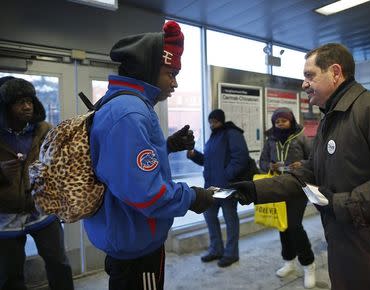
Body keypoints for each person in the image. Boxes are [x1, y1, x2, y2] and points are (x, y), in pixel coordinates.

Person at [231, 43, 370, 290]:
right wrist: (255, 190)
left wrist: (343, 204)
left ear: (335, 72)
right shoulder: (330, 121)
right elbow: (309, 173)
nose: (304, 84)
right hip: (350, 255)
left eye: (309, 76)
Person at [83, 21, 214, 290]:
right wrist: (192, 196)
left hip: (126, 236)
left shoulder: (119, 104)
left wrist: (165, 147)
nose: (175, 83)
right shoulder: (131, 112)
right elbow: (146, 192)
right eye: (171, 73)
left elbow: (121, 166)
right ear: (150, 68)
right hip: (137, 248)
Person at [0, 77, 74, 290]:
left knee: (59, 264)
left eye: (30, 100)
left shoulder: (43, 129)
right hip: (5, 216)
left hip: (41, 208)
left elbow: (62, 163)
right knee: (9, 275)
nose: (27, 106)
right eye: (19, 102)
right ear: (5, 106)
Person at [259, 107, 315, 288]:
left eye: (284, 120)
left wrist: (303, 163)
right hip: (278, 187)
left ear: (291, 121)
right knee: (282, 225)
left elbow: (315, 159)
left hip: (298, 187)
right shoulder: (271, 140)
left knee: (293, 225)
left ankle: (308, 265)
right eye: (277, 121)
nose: (280, 124)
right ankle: (289, 261)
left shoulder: (301, 137)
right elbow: (262, 162)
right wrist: (270, 165)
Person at [187, 109, 249, 267]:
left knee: (230, 219)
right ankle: (216, 249)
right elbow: (208, 161)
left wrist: (227, 176)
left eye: (214, 122)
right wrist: (195, 155)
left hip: (226, 187)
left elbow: (240, 158)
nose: (212, 125)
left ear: (221, 120)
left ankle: (231, 253)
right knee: (209, 216)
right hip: (211, 188)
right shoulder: (213, 138)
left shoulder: (232, 133)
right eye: (210, 123)